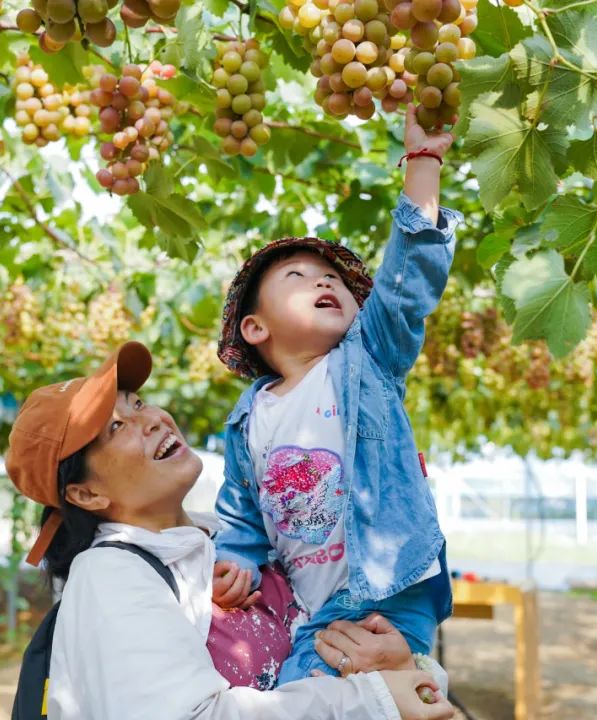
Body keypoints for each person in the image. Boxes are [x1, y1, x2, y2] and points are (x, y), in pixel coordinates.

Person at [5, 341, 455, 720]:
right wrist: (372, 699)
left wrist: (405, 667)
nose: (154, 419)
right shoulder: (109, 577)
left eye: (138, 403)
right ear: (85, 495)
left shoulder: (233, 544)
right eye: (118, 427)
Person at [212, 104, 458, 683]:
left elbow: (404, 284)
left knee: (356, 698)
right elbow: (240, 508)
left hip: (392, 586)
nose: (325, 280)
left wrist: (422, 164)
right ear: (255, 329)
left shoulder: (366, 359)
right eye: (297, 277)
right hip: (313, 608)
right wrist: (237, 558)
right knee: (300, 699)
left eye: (335, 280)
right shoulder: (250, 417)